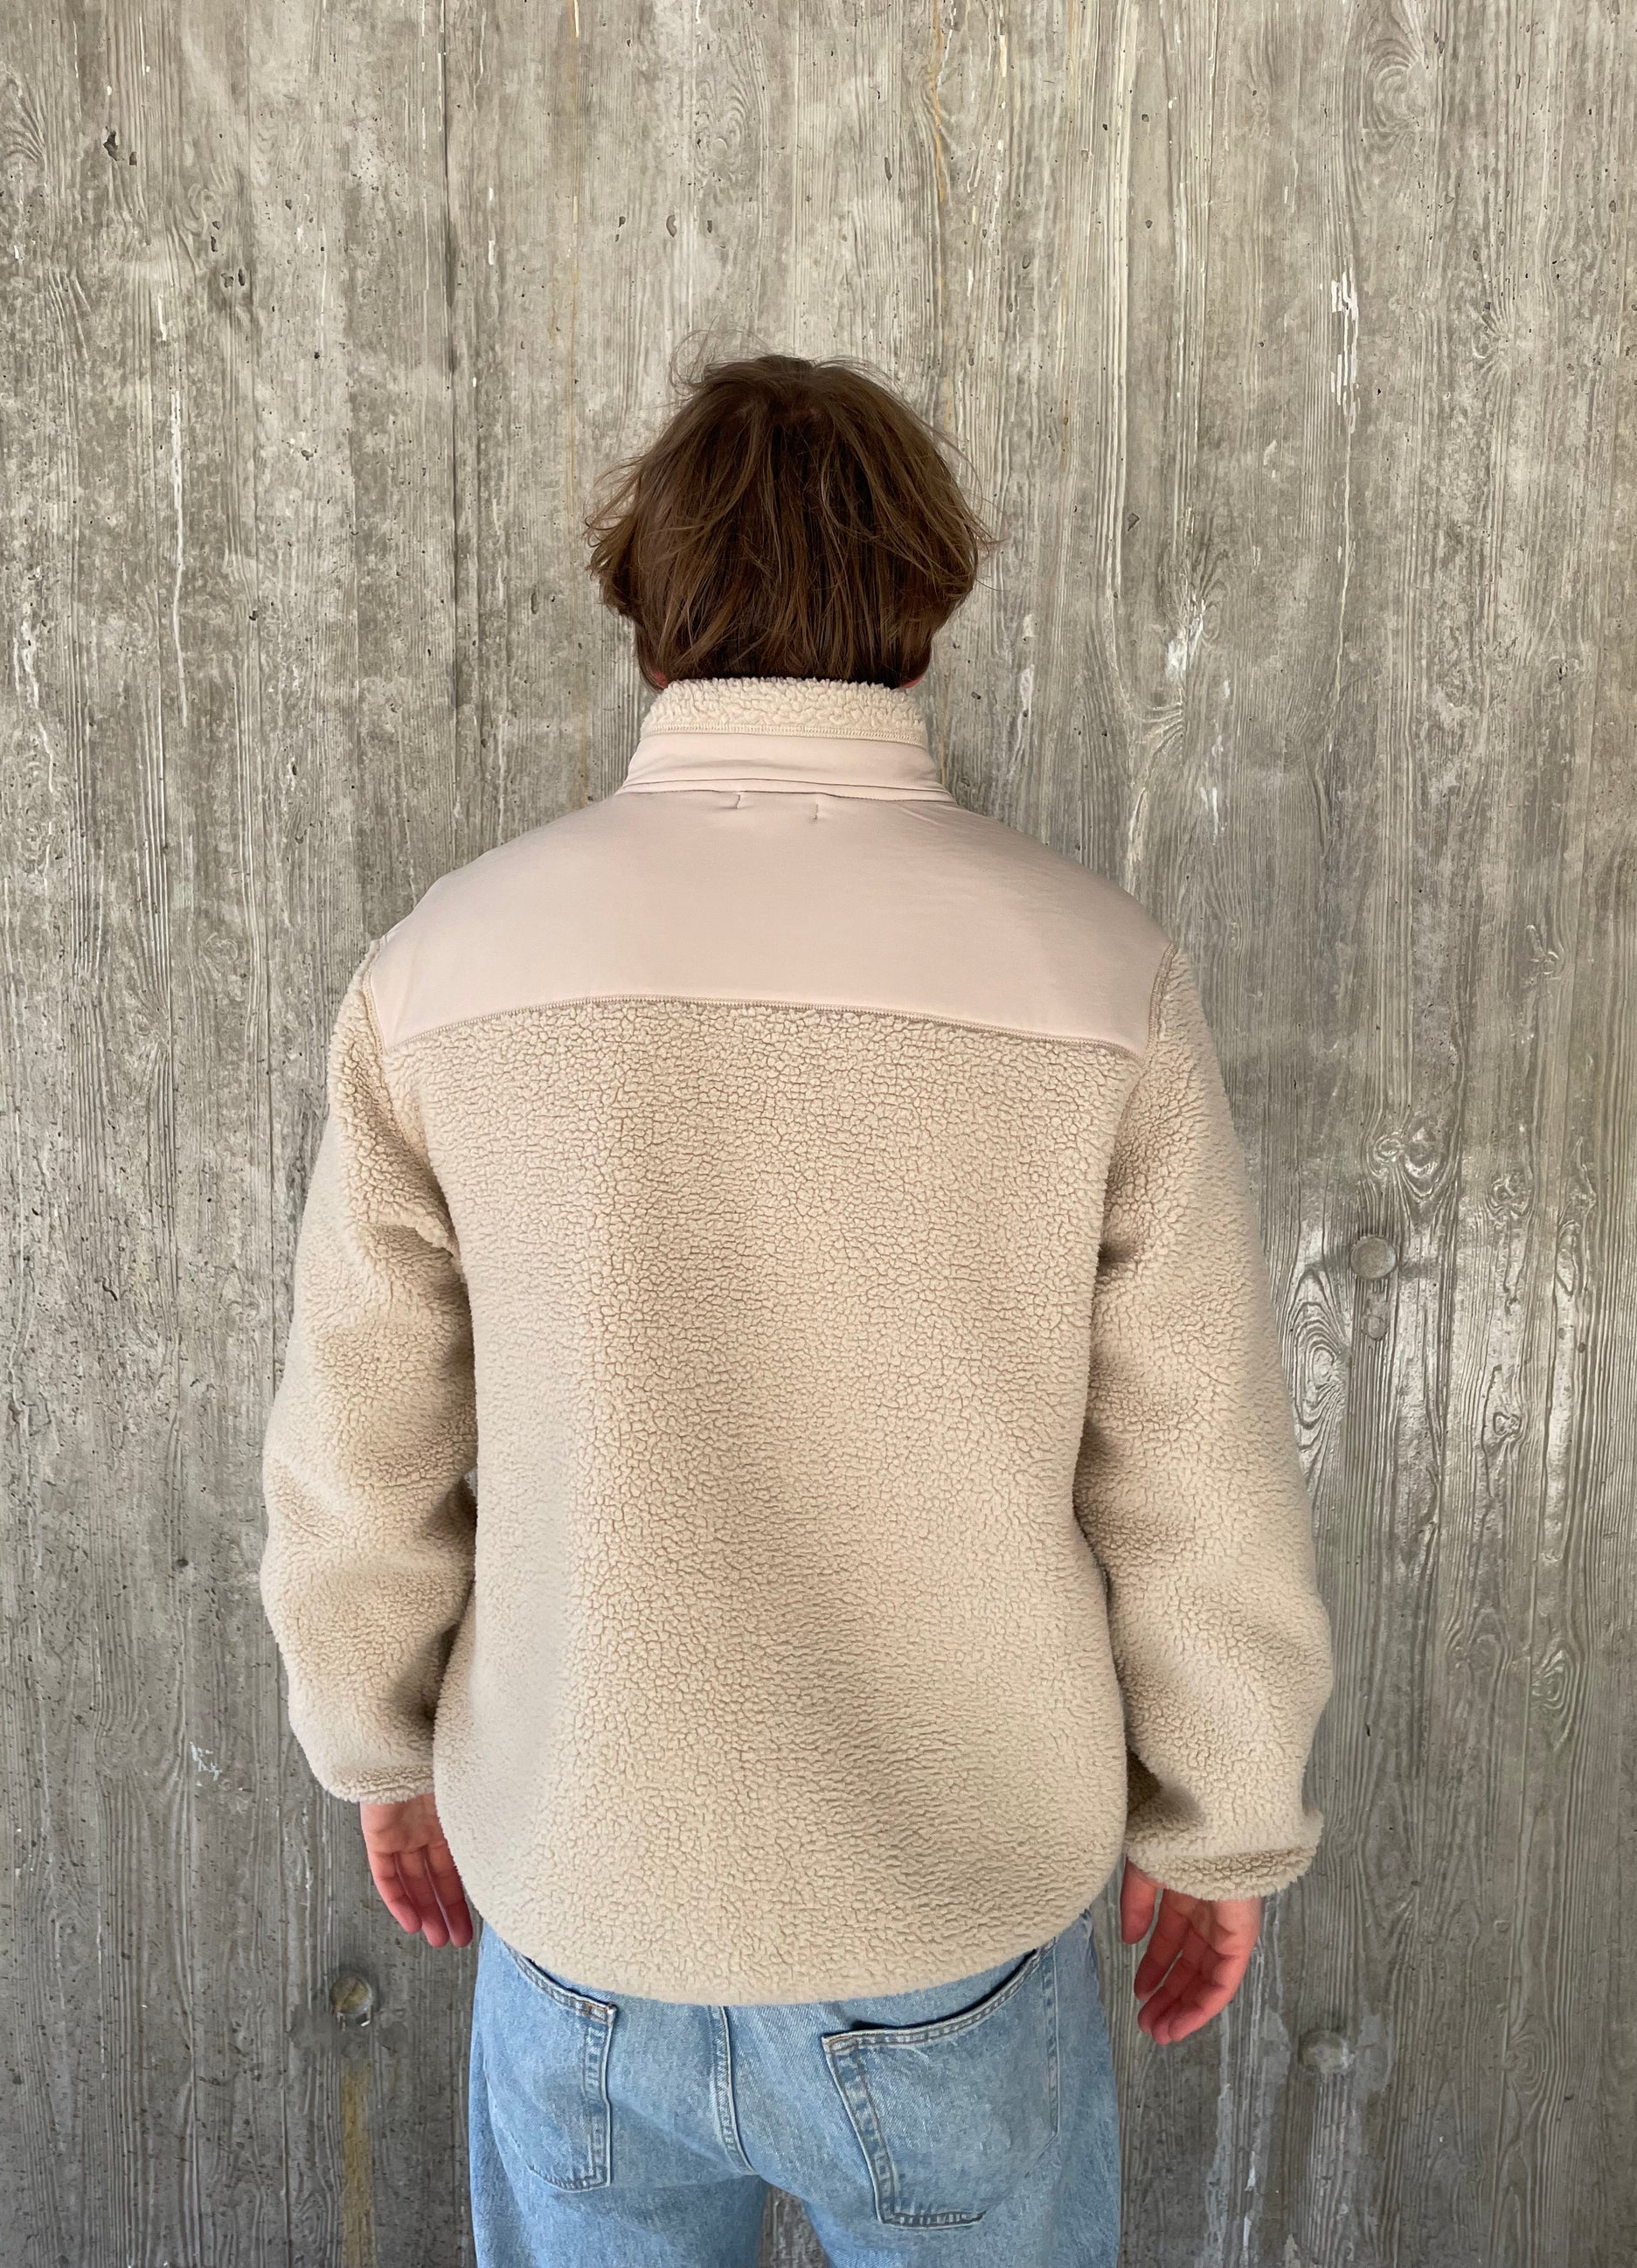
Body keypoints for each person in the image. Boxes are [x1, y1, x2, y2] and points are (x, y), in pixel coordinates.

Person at [259, 350, 1335, 2267]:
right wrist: (1220, 1818)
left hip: (582, 1894)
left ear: (644, 598)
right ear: (925, 593)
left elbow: (358, 1449)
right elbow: (1194, 1469)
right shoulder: (1097, 977)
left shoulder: (439, 976)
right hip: (948, 1912)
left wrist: (378, 1742)